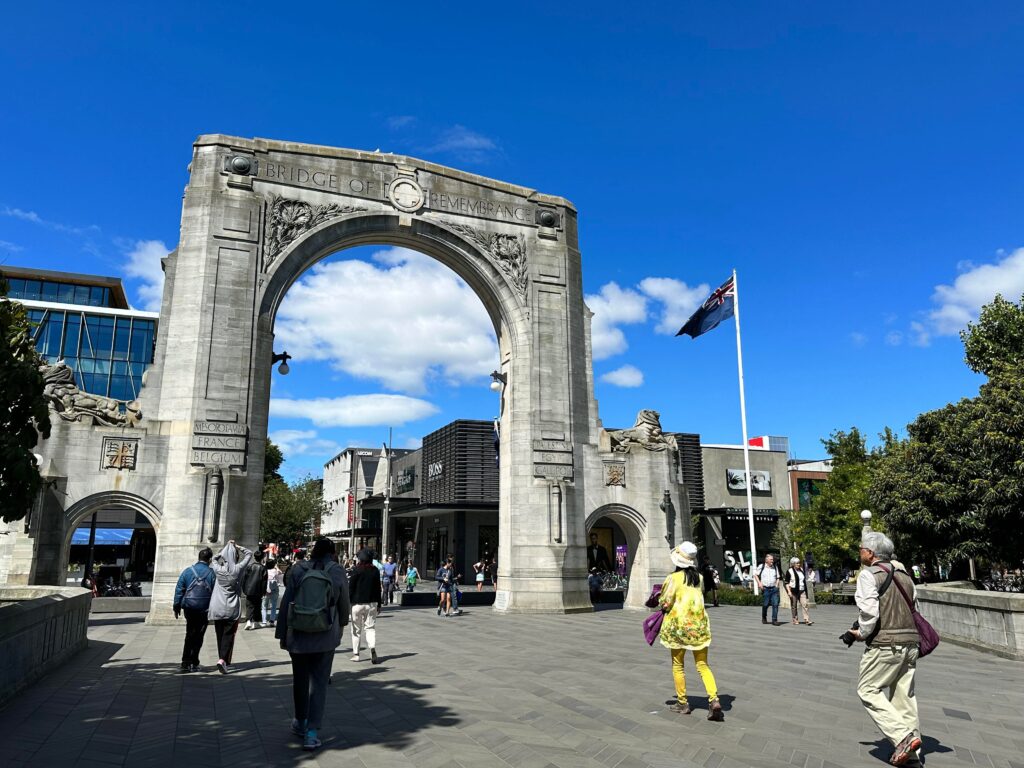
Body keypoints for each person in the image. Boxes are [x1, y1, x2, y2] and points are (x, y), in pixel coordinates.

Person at [850, 532, 922, 767]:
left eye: (862, 548)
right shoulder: (905, 576)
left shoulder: (869, 575)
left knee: (868, 690)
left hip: (885, 644)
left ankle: (903, 737)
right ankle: (911, 755)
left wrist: (861, 633)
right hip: (911, 643)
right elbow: (915, 607)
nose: (860, 551)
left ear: (870, 553)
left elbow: (870, 613)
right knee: (905, 697)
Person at [276, 537, 349, 752]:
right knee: (319, 683)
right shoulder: (336, 571)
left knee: (299, 679)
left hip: (298, 633)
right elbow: (344, 603)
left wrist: (282, 633)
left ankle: (300, 721)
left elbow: (286, 601)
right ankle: (312, 732)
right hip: (325, 634)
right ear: (332, 553)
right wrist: (341, 626)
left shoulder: (299, 569)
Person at [658, 542, 724, 721]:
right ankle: (714, 699)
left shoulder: (673, 578)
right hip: (699, 626)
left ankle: (682, 702)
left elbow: (665, 602)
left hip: (678, 628)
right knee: (703, 665)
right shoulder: (700, 578)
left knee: (678, 665)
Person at [209, 541, 252, 674]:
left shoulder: (218, 569)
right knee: (228, 635)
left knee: (219, 634)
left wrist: (225, 548)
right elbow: (249, 554)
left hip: (217, 606)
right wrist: (237, 546)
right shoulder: (238, 569)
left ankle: (222, 659)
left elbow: (214, 558)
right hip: (232, 608)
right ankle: (223, 660)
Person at [172, 547, 215, 672]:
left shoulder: (187, 571)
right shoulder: (212, 573)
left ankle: (185, 662)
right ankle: (195, 661)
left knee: (189, 633)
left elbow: (179, 589)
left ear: (199, 557)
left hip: (189, 608)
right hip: (204, 609)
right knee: (199, 635)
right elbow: (216, 592)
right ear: (210, 559)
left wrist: (176, 606)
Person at [348, 549, 382, 663]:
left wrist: (348, 602)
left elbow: (351, 588)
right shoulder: (375, 571)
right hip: (371, 603)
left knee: (356, 630)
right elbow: (378, 589)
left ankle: (356, 655)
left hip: (356, 604)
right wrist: (379, 604)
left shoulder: (356, 570)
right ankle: (372, 648)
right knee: (370, 628)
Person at [243, 550, 268, 631]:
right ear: (262, 558)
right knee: (257, 605)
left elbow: (244, 579)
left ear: (254, 557)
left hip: (249, 589)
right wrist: (263, 591)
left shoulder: (249, 567)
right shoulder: (263, 568)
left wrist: (244, 589)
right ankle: (255, 622)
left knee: (249, 605)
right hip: (258, 590)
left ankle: (248, 621)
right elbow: (264, 582)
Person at [754, 553, 781, 625]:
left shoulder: (775, 567)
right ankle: (764, 617)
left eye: (773, 559)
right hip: (765, 589)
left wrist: (776, 585)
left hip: (774, 589)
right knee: (765, 604)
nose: (772, 561)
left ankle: (774, 620)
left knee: (775, 604)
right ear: (766, 560)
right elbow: (755, 575)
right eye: (771, 559)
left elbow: (778, 577)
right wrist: (759, 583)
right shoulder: (761, 566)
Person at [785, 557, 813, 625]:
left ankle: (806, 619)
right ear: (793, 564)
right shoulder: (789, 571)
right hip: (794, 590)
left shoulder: (801, 570)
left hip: (802, 589)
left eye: (799, 563)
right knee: (794, 606)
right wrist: (789, 591)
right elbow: (786, 582)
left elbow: (803, 580)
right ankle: (795, 619)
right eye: (797, 563)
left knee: (805, 604)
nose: (799, 564)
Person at [264, 559, 284, 627]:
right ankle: (272, 621)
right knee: (274, 606)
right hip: (274, 590)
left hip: (265, 590)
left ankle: (264, 621)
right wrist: (276, 567)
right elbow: (280, 573)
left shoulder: (264, 570)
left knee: (264, 606)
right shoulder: (275, 571)